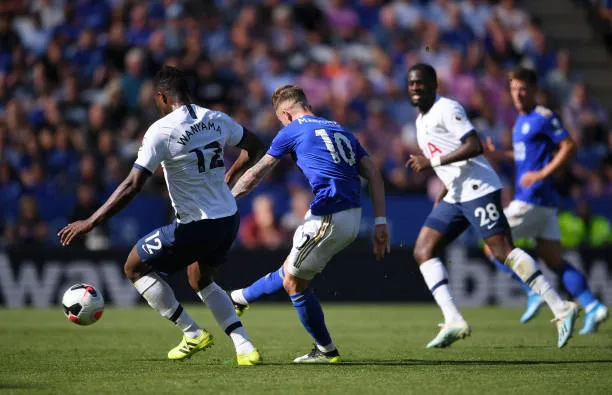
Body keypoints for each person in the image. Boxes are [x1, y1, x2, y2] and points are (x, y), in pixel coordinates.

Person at [58, 65, 266, 365]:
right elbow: (256, 146)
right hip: (227, 219)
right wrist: (230, 176)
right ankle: (245, 348)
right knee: (201, 280)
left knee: (133, 266)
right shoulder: (216, 118)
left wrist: (91, 221)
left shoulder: (162, 130)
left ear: (162, 97)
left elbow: (132, 185)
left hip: (195, 225)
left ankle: (192, 333)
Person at [404, 63, 578, 349]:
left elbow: (474, 146)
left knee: (502, 251)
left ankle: (561, 308)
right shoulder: (420, 121)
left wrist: (431, 163)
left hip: (479, 188)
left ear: (434, 85)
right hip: (456, 192)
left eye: (420, 83)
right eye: (411, 84)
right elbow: (451, 157)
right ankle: (454, 320)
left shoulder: (447, 108)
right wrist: (443, 193)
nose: (414, 88)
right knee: (423, 250)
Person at [227, 84, 390, 363]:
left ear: (287, 115)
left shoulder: (292, 130)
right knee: (293, 273)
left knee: (292, 281)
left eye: (280, 119)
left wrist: (228, 200)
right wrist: (380, 222)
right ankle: (240, 298)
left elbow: (256, 173)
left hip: (328, 215)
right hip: (351, 216)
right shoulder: (341, 129)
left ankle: (325, 350)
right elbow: (373, 172)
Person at [484, 67, 608, 333]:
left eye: (523, 89)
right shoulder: (521, 121)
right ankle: (593, 305)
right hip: (545, 205)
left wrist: (542, 173)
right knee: (554, 260)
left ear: (534, 90)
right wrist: (500, 154)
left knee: (490, 242)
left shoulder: (542, 116)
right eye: (514, 89)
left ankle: (532, 292)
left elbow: (569, 146)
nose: (518, 94)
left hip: (532, 199)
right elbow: (524, 157)